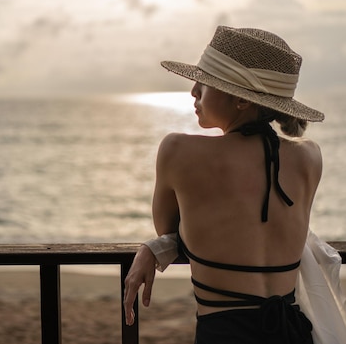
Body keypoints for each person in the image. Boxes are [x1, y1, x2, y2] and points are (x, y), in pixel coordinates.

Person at [123, 25, 325, 343]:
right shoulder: (310, 157)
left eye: (205, 81)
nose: (193, 91)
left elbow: (170, 230)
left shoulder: (178, 150)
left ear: (241, 101)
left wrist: (154, 246)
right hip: (293, 333)